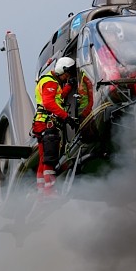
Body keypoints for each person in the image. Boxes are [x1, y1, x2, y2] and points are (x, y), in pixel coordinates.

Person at [32, 57, 77, 196]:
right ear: (62, 70)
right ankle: (50, 192)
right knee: (50, 159)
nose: (67, 77)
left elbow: (57, 98)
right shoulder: (50, 82)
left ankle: (41, 192)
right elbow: (49, 103)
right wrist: (67, 117)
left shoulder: (50, 81)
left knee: (43, 158)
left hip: (41, 123)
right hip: (47, 123)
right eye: (67, 74)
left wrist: (68, 86)